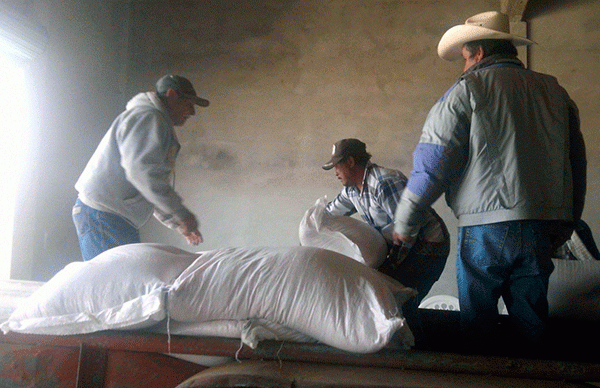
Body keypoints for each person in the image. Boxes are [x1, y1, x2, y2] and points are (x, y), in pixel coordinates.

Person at [392, 11, 587, 349]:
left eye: (464, 57)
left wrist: (406, 222)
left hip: (487, 227)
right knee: (532, 323)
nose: (463, 66)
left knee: (477, 323)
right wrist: (568, 220)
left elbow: (432, 165)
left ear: (478, 52)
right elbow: (576, 163)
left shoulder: (466, 91)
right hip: (543, 225)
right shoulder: (555, 91)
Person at [72, 75, 208, 261]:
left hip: (110, 217)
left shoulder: (154, 120)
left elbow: (147, 186)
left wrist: (178, 223)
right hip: (104, 216)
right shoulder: (149, 117)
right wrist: (181, 215)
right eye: (188, 103)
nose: (192, 112)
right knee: (115, 285)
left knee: (122, 283)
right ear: (172, 95)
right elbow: (143, 174)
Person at [322, 138, 450, 312]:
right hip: (405, 246)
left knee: (401, 301)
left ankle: (411, 338)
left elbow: (407, 231)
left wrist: (389, 266)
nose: (336, 173)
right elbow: (329, 214)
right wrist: (310, 226)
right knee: (391, 300)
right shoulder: (351, 190)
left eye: (337, 166)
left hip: (427, 244)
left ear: (350, 162)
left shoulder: (384, 182)